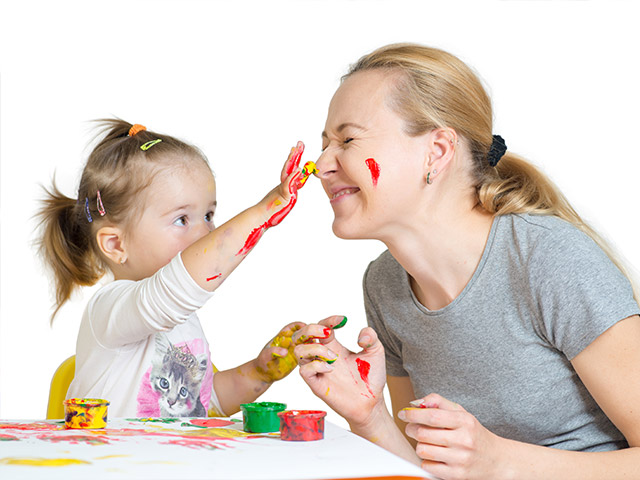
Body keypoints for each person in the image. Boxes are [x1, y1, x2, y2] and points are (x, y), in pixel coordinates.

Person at [294, 43, 640, 479]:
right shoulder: (385, 283)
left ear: (436, 152)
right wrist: (369, 417)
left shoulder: (549, 259)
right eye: (326, 144)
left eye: (346, 140)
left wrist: (500, 462)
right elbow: (432, 470)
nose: (320, 164)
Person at [36, 119, 310, 418]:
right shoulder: (110, 309)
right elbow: (176, 288)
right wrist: (265, 210)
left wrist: (259, 372)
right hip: (109, 462)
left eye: (208, 214)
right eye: (182, 219)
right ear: (116, 244)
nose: (207, 232)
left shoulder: (182, 320)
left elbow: (203, 403)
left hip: (174, 462)